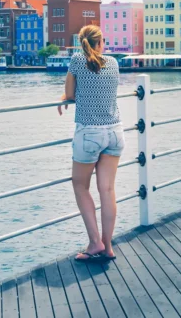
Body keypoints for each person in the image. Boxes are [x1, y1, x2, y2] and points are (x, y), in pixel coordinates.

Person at [58, 24, 124, 263]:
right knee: (107, 190)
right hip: (115, 132)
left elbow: (70, 93)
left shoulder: (77, 60)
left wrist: (63, 98)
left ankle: (94, 242)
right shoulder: (114, 63)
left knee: (80, 186)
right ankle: (107, 246)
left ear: (82, 42)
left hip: (89, 133)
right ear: (100, 42)